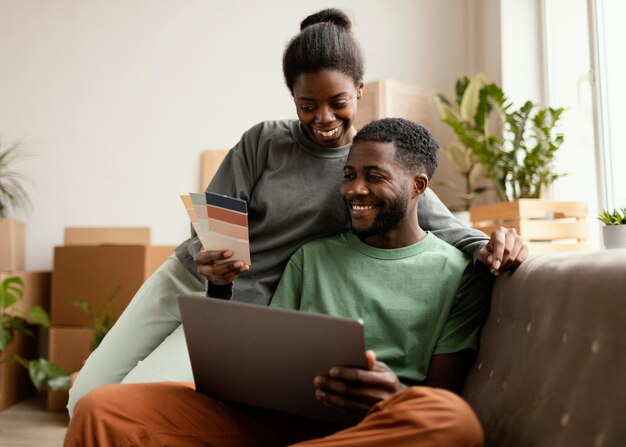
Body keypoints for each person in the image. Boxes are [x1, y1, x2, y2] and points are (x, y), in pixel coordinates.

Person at [67, 8, 527, 417]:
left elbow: (449, 230)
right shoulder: (263, 142)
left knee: (131, 402)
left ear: (359, 91)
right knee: (82, 394)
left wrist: (501, 243)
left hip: (235, 311)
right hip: (186, 278)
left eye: (338, 103)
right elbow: (212, 225)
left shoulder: (372, 164)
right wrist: (210, 253)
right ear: (292, 98)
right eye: (308, 105)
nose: (324, 118)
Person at [64, 118, 490, 446]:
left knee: (452, 419)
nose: (354, 190)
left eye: (374, 176)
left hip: (372, 427)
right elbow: (270, 362)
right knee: (104, 407)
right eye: (348, 175)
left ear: (418, 186)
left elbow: (440, 391)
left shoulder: (459, 271)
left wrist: (392, 393)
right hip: (279, 420)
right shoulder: (311, 256)